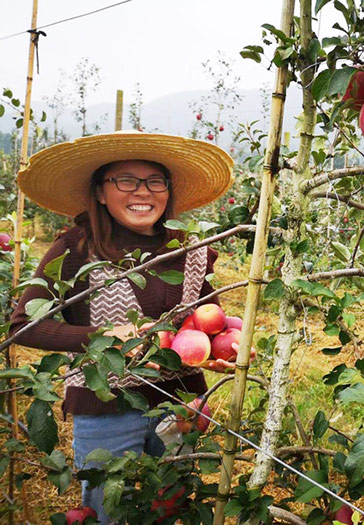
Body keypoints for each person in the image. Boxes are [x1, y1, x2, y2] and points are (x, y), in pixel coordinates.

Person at [10, 131, 235, 523]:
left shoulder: (187, 248)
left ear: (168, 191)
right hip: (106, 410)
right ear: (100, 192)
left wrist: (219, 354)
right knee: (107, 511)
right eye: (126, 181)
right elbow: (23, 325)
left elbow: (208, 319)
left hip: (180, 405)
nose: (142, 192)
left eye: (154, 182)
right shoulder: (77, 249)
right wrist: (99, 338)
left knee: (170, 506)